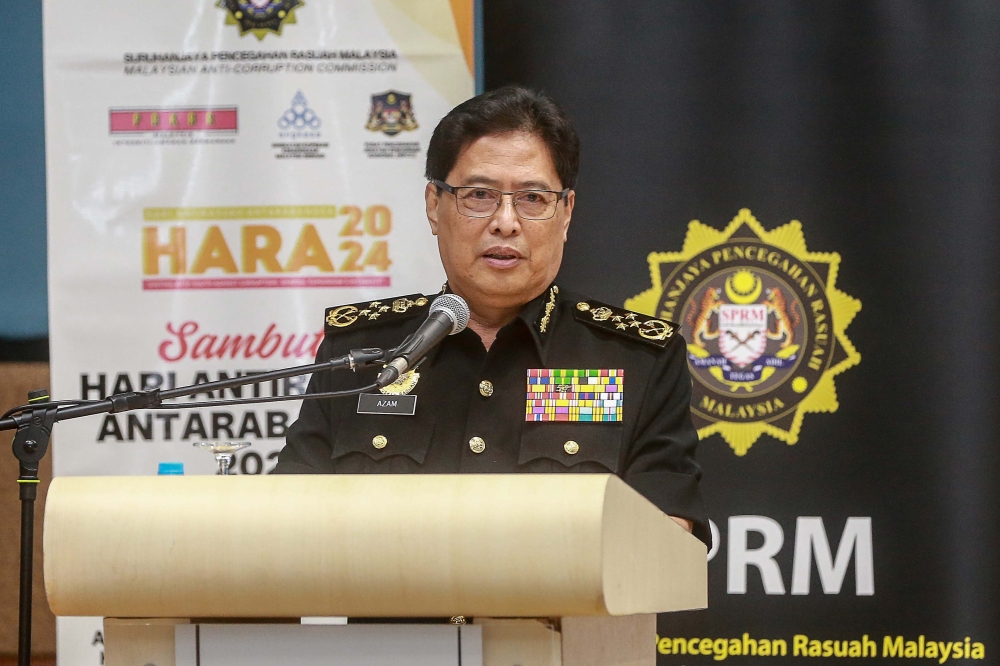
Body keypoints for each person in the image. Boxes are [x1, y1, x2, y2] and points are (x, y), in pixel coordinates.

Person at [275, 85, 708, 545]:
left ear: (566, 214)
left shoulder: (636, 361)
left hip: (558, 619)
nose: (505, 221)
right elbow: (283, 523)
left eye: (533, 199)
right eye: (479, 194)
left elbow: (670, 536)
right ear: (433, 207)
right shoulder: (364, 355)